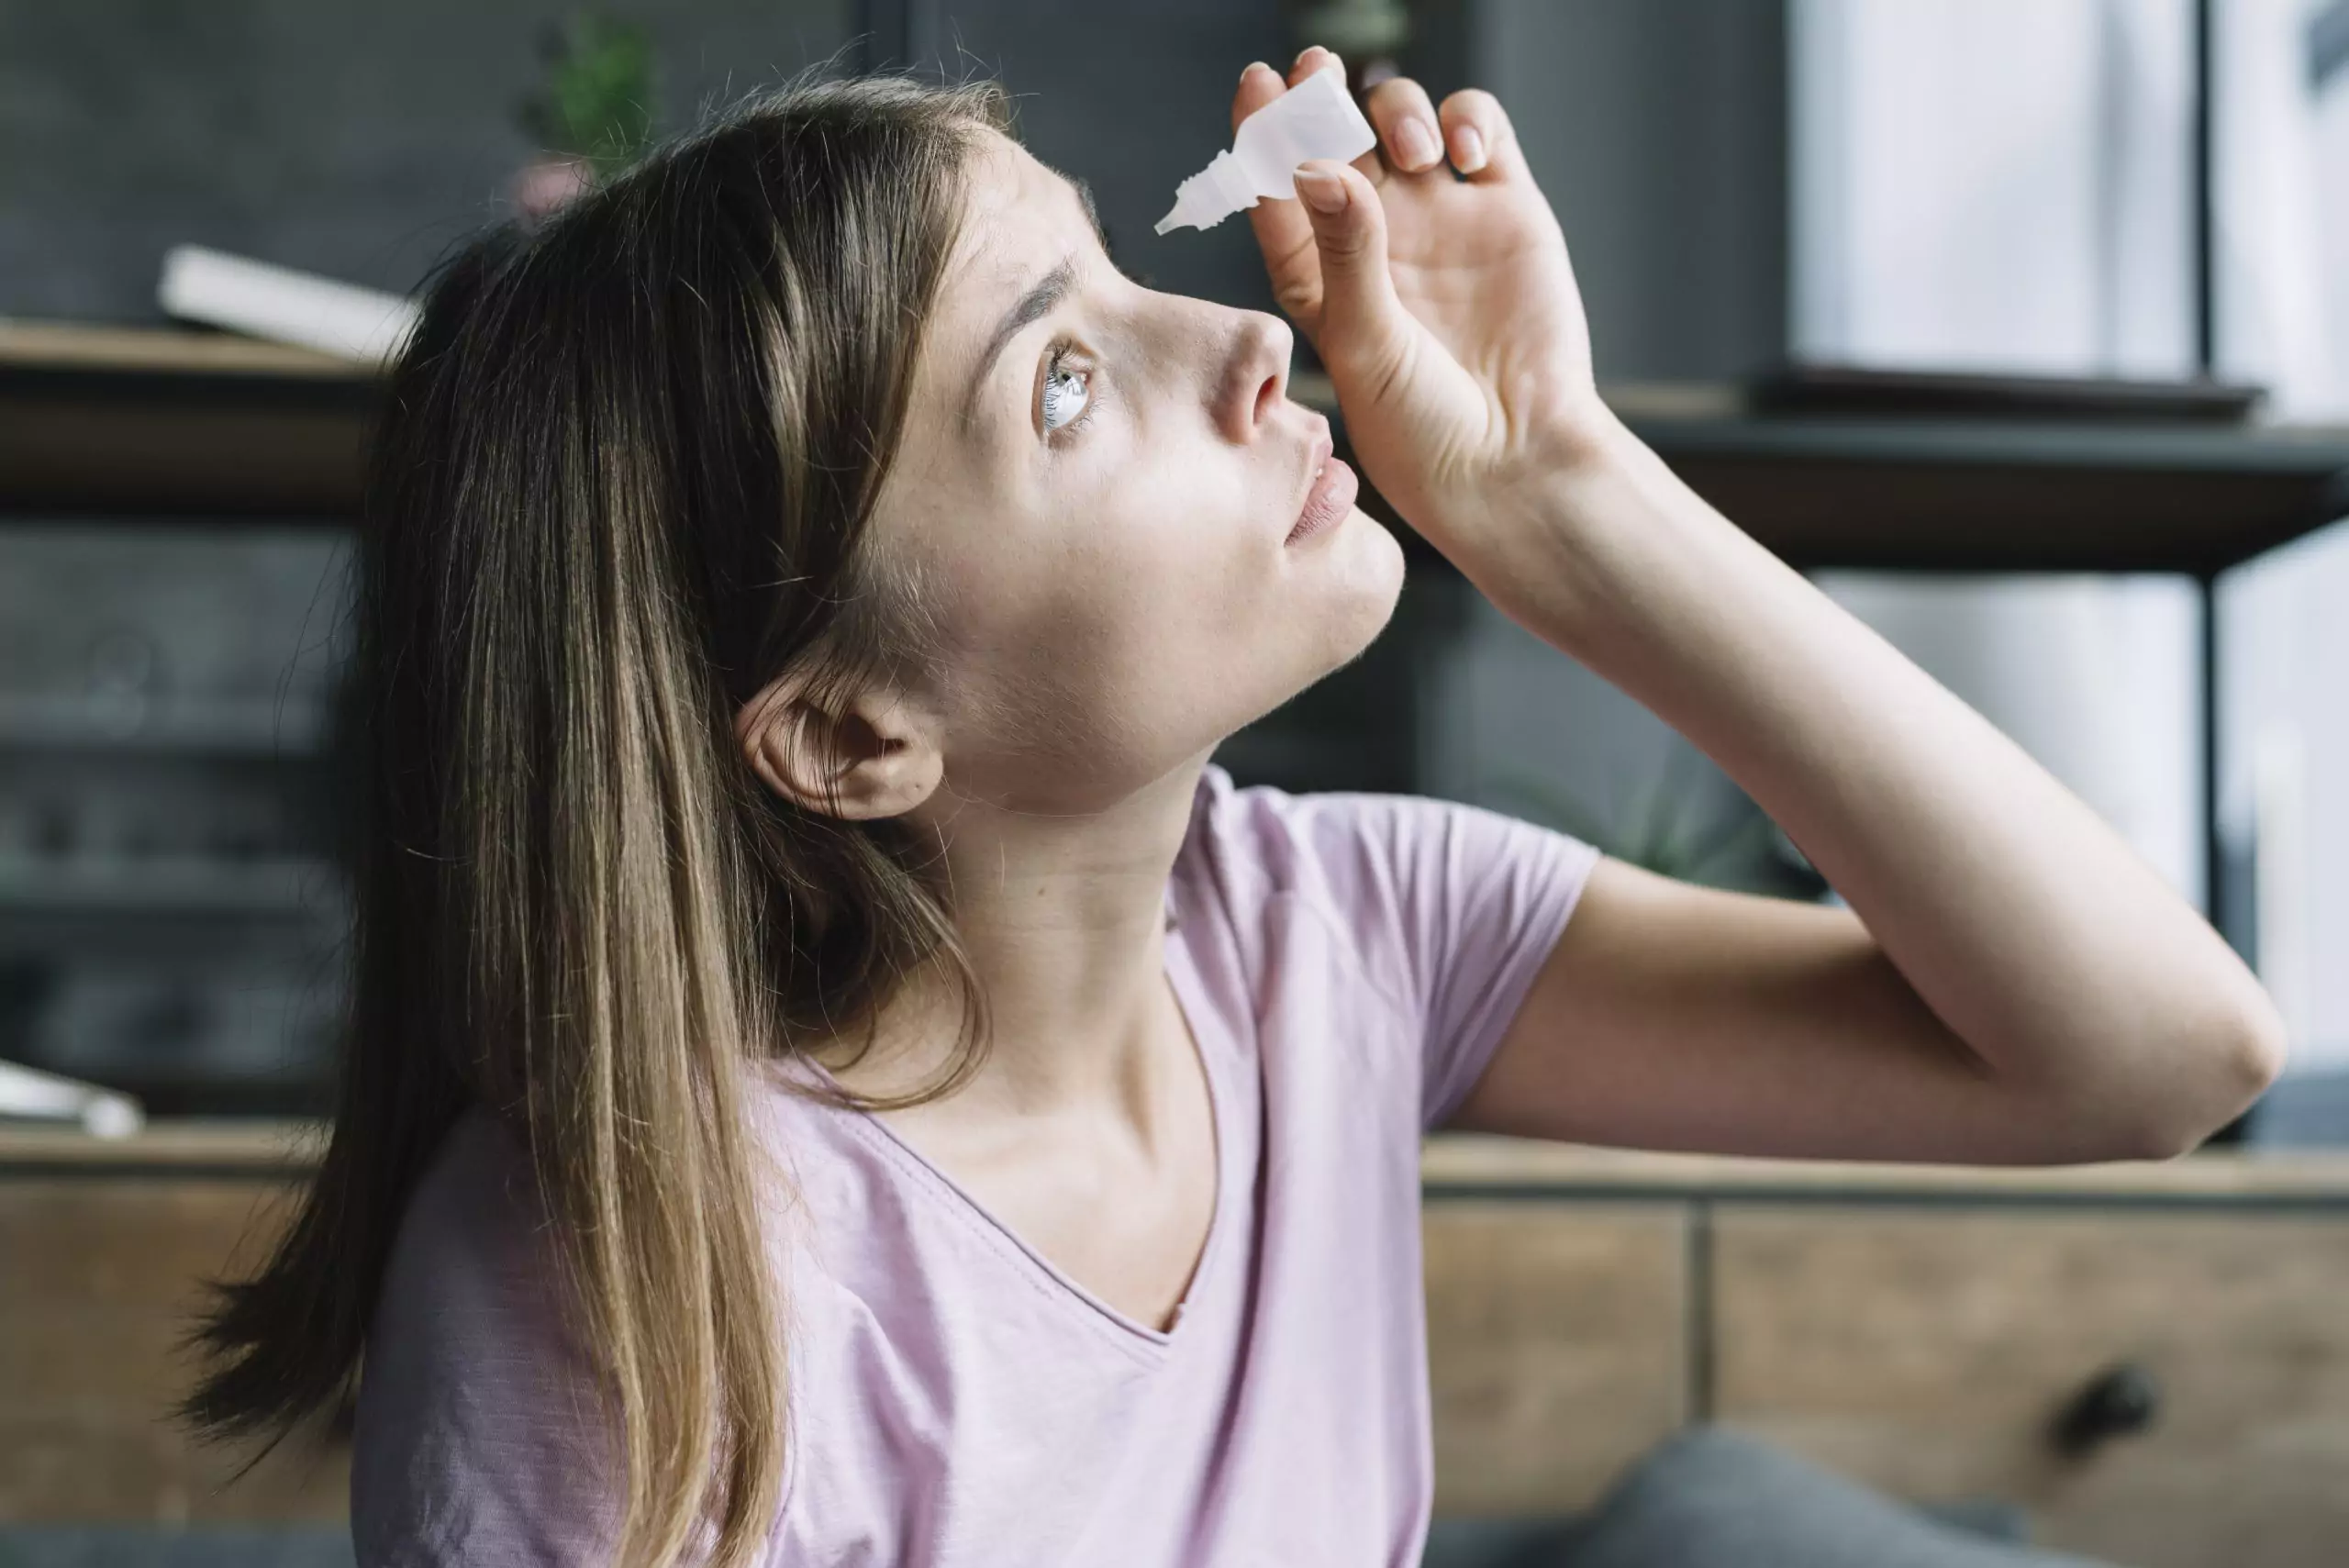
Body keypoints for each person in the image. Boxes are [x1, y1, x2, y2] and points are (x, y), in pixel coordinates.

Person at [176, 46, 2285, 1568]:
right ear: (844, 735)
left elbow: (2152, 1052)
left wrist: (1557, 481)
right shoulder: (621, 1281)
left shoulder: (1339, 940)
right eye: (1062, 382)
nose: (1246, 340)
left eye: (1113, 272)